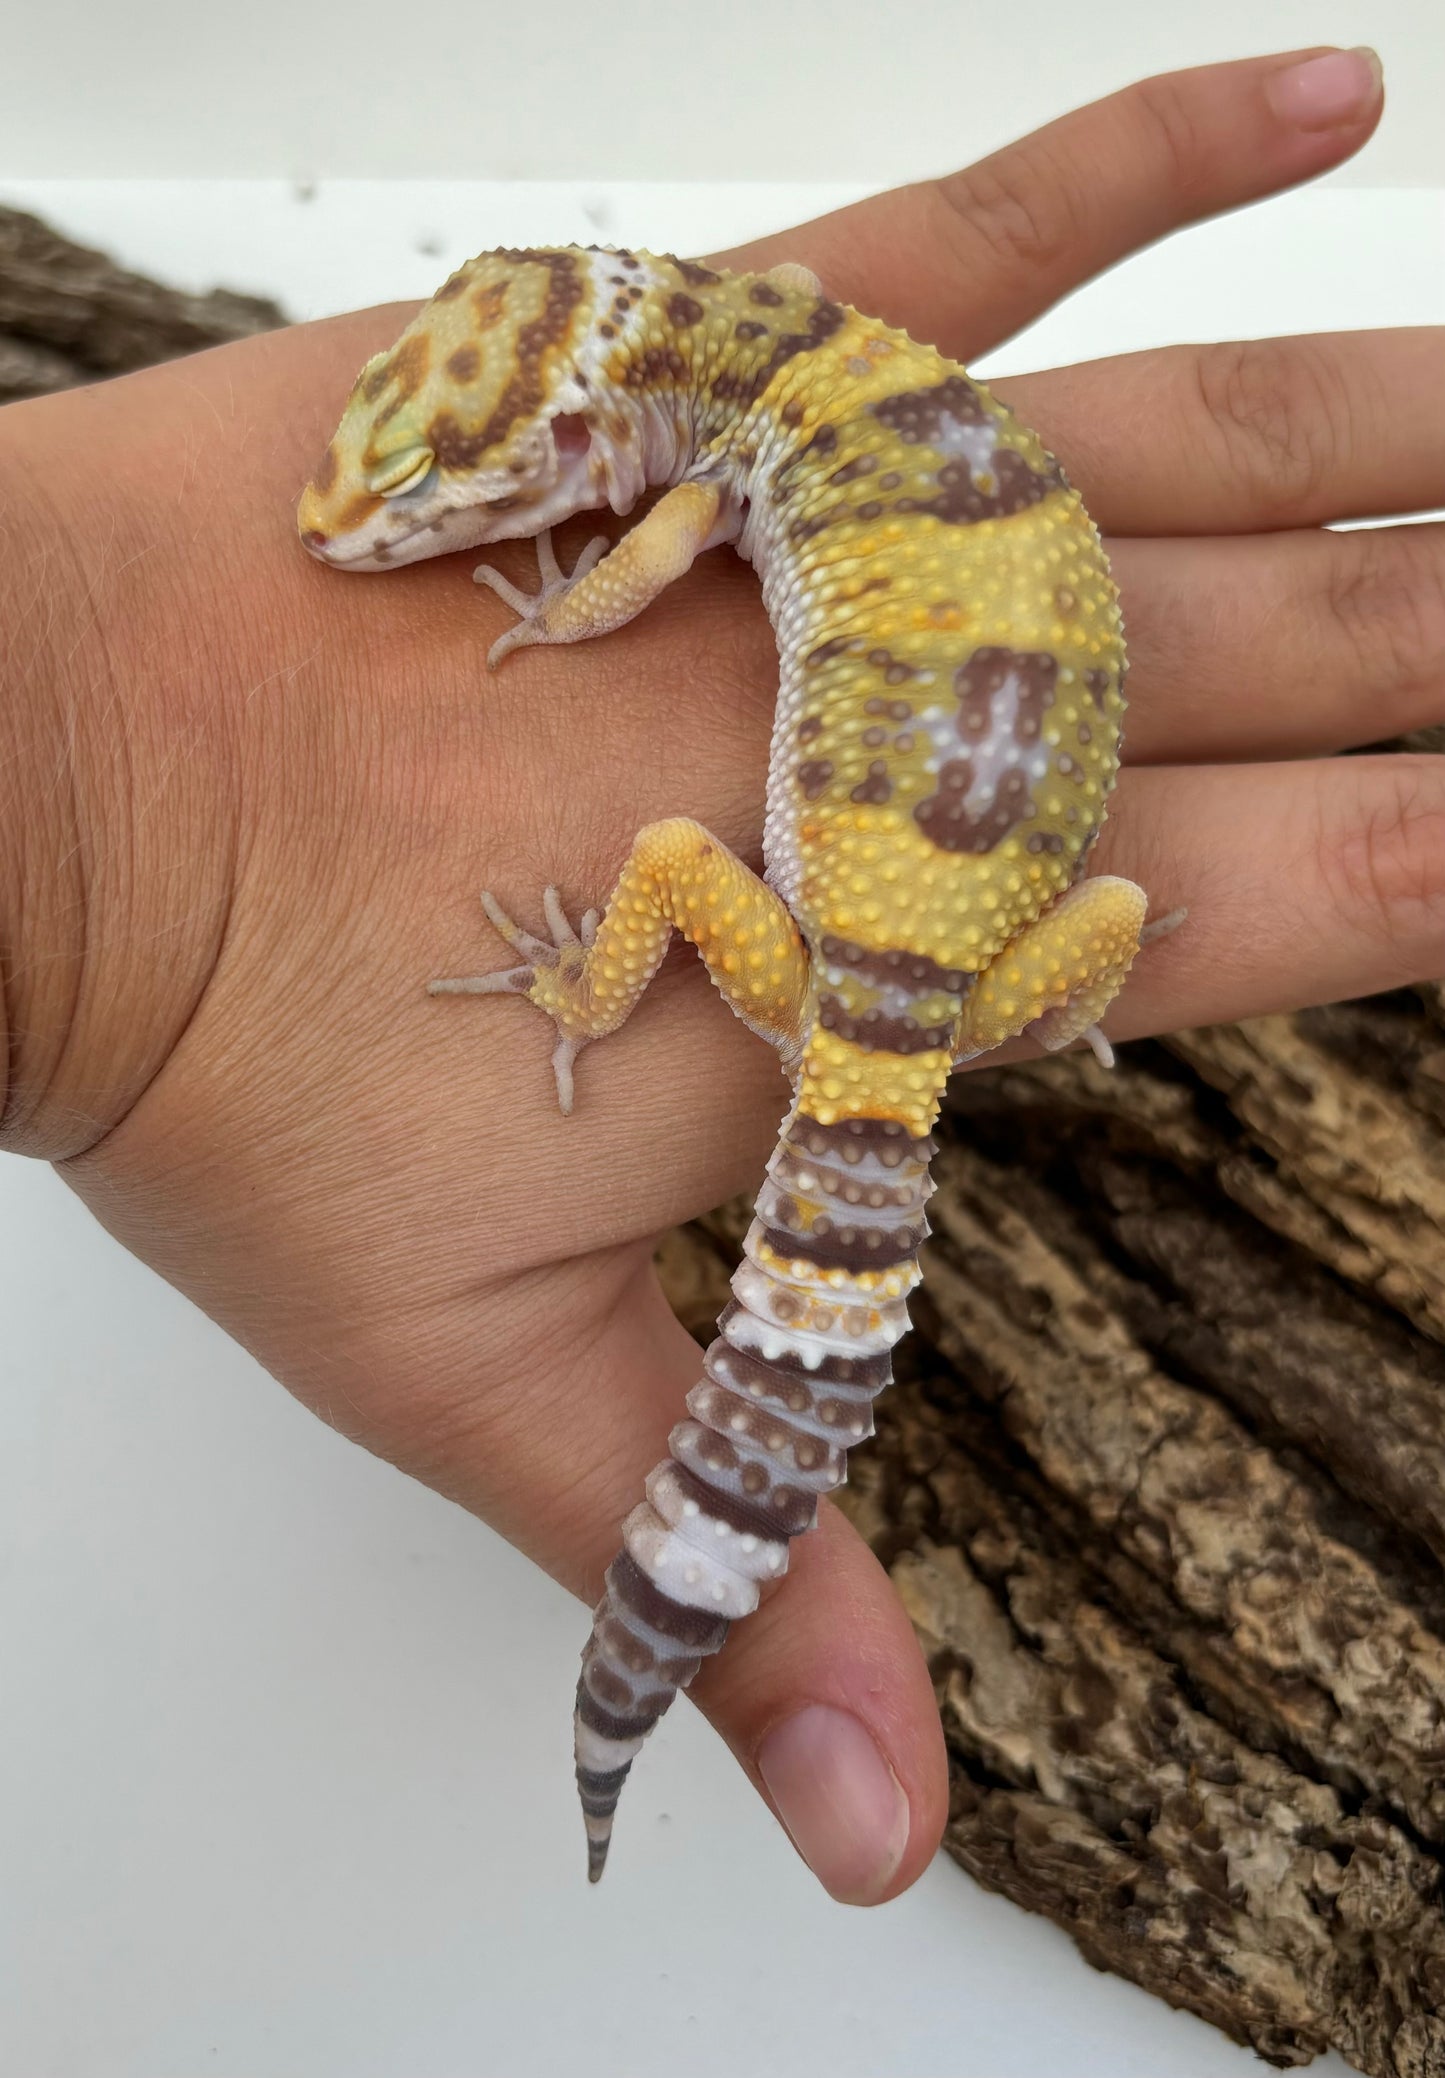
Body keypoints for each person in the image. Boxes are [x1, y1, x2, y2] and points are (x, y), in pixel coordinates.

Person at [3, 45, 1439, 1909]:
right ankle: (1040, 1001)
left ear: (602, 438)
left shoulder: (678, 490)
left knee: (676, 863)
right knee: (1007, 922)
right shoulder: (783, 382)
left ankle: (584, 1003)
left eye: (439, 477)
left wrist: (543, 651)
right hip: (986, 966)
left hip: (858, 974)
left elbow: (633, 567)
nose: (361, 523)